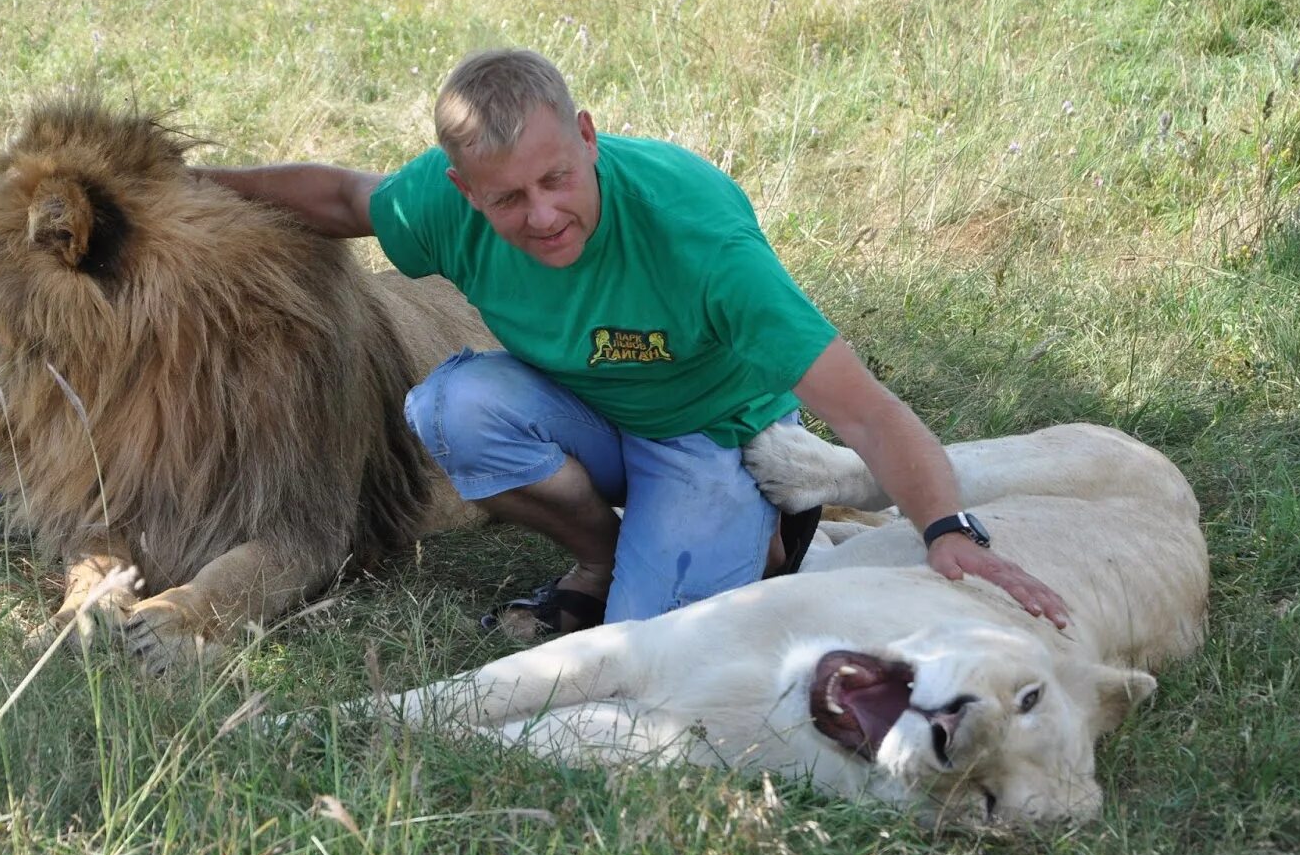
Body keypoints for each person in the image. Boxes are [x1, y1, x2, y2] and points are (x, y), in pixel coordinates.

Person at [199, 48, 1068, 637]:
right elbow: (343, 200)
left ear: (586, 137)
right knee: (449, 407)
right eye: (507, 200)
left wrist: (950, 532)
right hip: (583, 408)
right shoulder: (443, 201)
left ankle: (767, 527)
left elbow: (868, 412)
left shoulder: (699, 241)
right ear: (465, 191)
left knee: (651, 639)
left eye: (556, 179)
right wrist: (187, 186)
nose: (540, 215)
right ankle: (602, 554)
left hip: (710, 433)